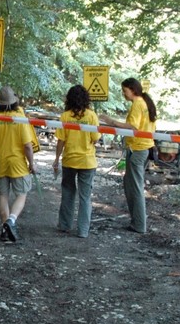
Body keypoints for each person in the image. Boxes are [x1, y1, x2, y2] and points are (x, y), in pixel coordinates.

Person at [0, 86, 36, 242]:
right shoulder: (20, 118)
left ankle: (4, 230)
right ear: (14, 102)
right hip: (17, 163)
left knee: (3, 195)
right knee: (22, 194)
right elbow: (27, 146)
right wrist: (32, 164)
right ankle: (11, 220)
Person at [99, 77, 157, 233]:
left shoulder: (138, 103)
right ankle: (136, 222)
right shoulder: (144, 103)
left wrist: (111, 121)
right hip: (141, 148)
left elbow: (132, 126)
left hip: (138, 149)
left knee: (135, 187)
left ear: (133, 90)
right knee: (130, 184)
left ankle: (139, 224)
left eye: (125, 91)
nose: (123, 94)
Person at [54, 85, 102, 238]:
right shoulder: (92, 116)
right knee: (85, 197)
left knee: (68, 193)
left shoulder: (65, 116)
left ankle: (64, 225)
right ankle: (83, 231)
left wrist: (56, 159)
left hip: (69, 160)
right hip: (87, 161)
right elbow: (95, 139)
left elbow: (61, 141)